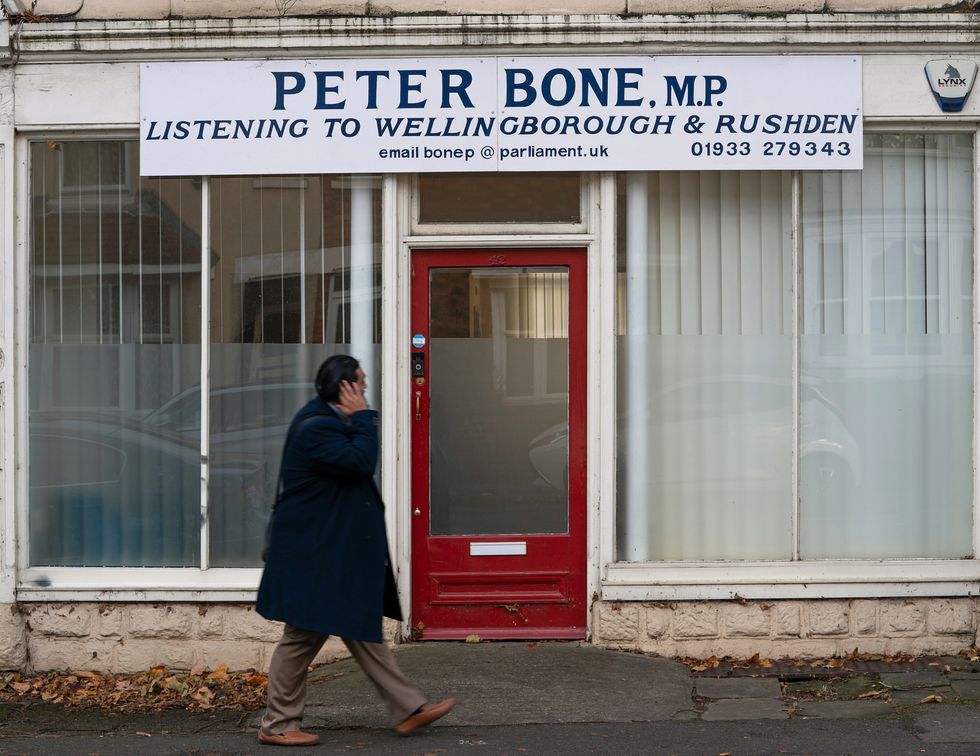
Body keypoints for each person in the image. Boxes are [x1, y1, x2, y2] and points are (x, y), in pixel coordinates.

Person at [255, 354, 455, 747]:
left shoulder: (328, 421)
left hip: (329, 554)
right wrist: (364, 417)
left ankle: (408, 709)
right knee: (300, 638)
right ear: (343, 387)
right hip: (315, 558)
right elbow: (361, 462)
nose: (364, 388)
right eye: (359, 382)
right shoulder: (318, 428)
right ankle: (277, 725)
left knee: (360, 629)